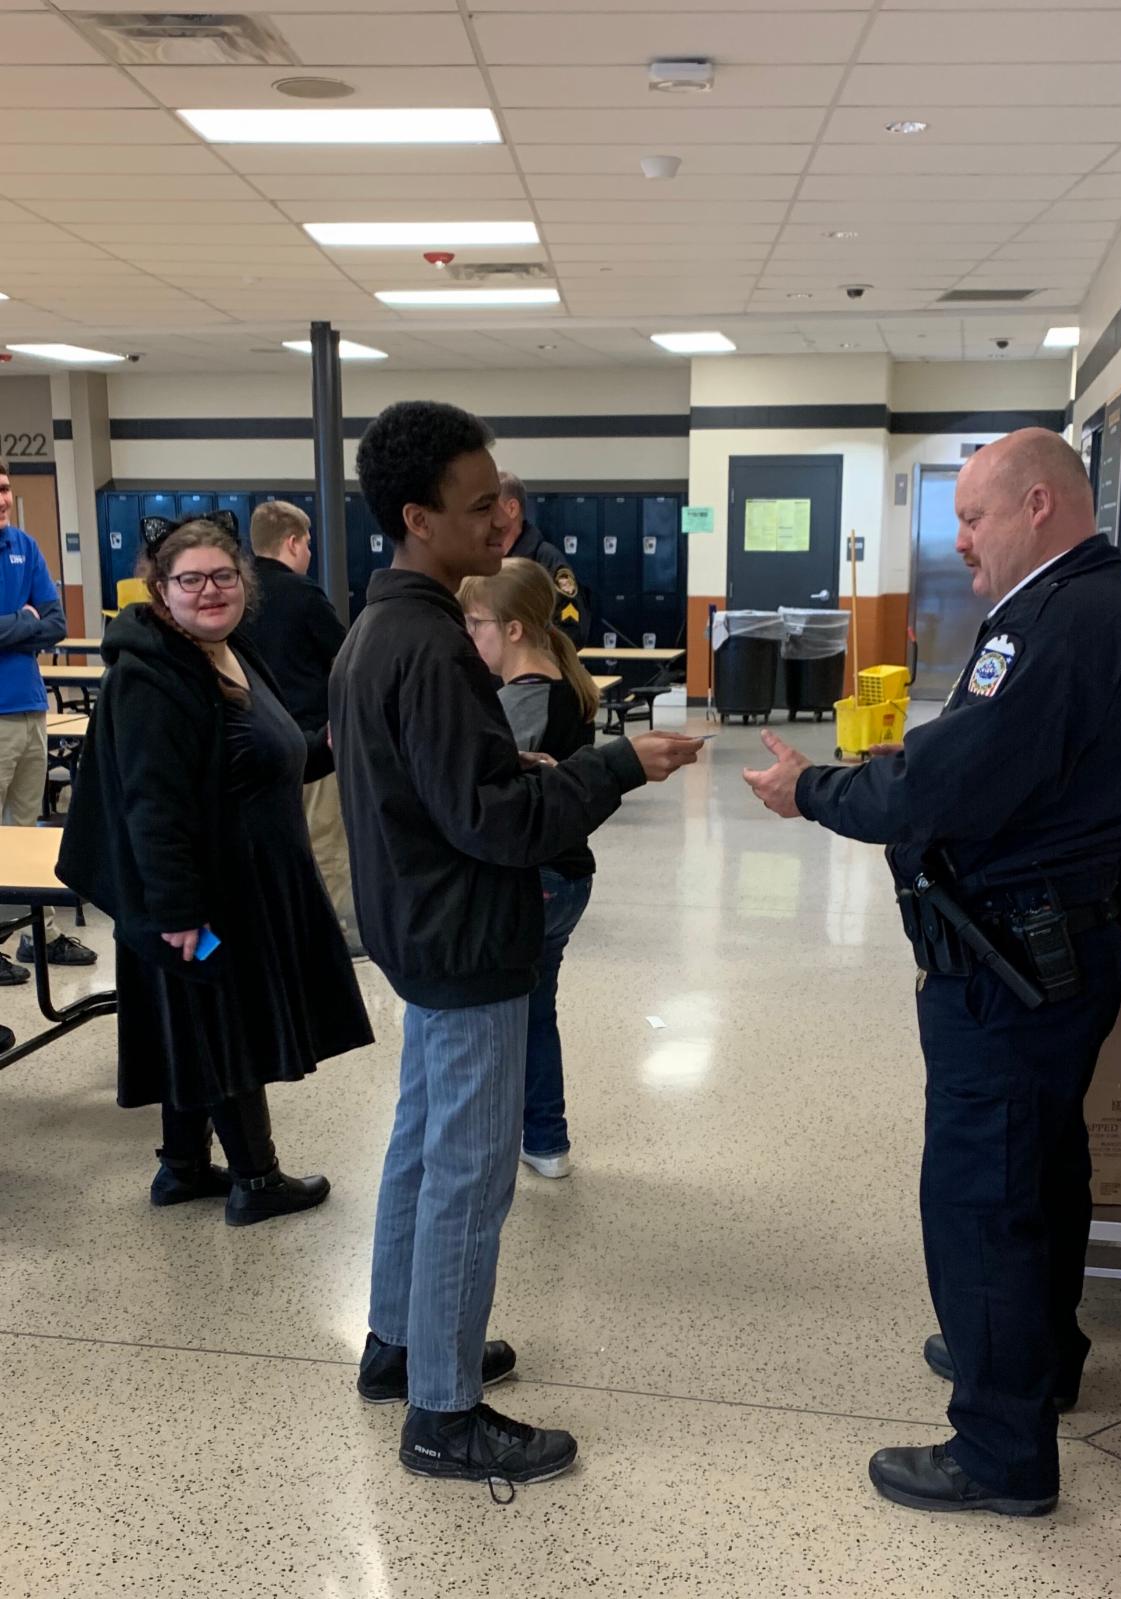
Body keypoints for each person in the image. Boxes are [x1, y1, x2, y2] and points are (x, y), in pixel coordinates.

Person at [744, 428, 1121, 1518]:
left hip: (1014, 966)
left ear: (1039, 504)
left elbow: (942, 791)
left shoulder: (1057, 624)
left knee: (985, 1191)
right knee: (1044, 1163)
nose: (961, 541)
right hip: (1058, 948)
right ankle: (1038, 1355)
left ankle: (999, 1450)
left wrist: (816, 791)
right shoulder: (1095, 602)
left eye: (973, 518)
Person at [331, 400, 702, 1493]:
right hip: (466, 938)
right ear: (418, 517)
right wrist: (616, 767)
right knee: (468, 1174)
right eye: (481, 501)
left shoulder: (380, 627)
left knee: (418, 1144)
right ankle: (444, 1414)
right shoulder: (434, 646)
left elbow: (451, 789)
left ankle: (402, 1345)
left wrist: (520, 773)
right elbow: (502, 825)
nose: (506, 515)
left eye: (504, 492)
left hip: (419, 929)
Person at [58, 517, 373, 1226]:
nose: (210, 590)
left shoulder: (225, 652)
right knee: (222, 1015)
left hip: (229, 885)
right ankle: (257, 1180)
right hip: (192, 898)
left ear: (245, 581)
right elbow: (151, 803)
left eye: (223, 576)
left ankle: (184, 1166)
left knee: (191, 1017)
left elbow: (257, 756)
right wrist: (177, 912)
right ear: (160, 589)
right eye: (190, 579)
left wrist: (325, 744)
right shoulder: (150, 675)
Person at [459, 557, 601, 1180]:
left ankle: (524, 1137)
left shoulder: (521, 702)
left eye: (476, 623)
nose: (468, 637)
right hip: (570, 876)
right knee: (536, 1008)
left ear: (514, 629)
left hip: (537, 878)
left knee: (507, 1018)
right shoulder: (568, 684)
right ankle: (545, 1139)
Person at [238, 498, 356, 941]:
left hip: (256, 745)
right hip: (312, 743)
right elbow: (346, 662)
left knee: (272, 843)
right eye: (307, 543)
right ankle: (330, 933)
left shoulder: (237, 595)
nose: (309, 552)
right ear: (291, 542)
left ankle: (281, 928)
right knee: (323, 841)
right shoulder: (305, 596)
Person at [0, 457, 96, 981]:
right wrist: (23, 622)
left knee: (25, 828)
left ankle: (35, 935)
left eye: (6, 488)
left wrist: (18, 625)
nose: (2, 499)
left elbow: (56, 621)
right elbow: (36, 621)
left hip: (32, 706)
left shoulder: (24, 547)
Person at [497, 470, 590, 646]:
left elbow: (572, 628)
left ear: (512, 509)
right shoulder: (481, 559)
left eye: (488, 506)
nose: (481, 516)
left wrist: (531, 653)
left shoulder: (546, 560)